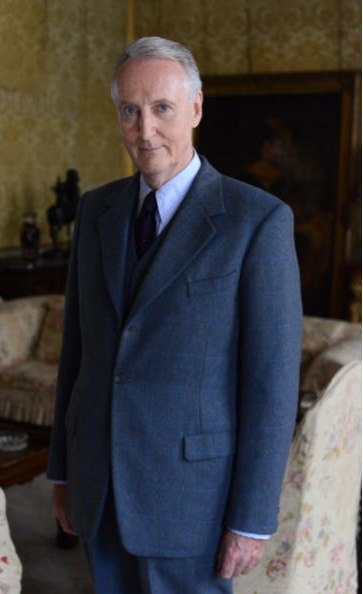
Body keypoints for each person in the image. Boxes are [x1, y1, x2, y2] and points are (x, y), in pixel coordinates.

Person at [47, 36, 302, 594]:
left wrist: (251, 519)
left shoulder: (258, 221)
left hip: (193, 499)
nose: (145, 130)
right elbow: (77, 354)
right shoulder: (95, 211)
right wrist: (63, 472)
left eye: (162, 108)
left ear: (196, 108)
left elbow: (272, 384)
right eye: (129, 111)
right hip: (97, 486)